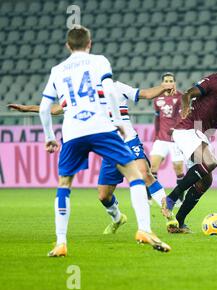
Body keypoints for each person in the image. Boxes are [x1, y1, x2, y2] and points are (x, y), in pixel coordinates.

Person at [38, 25, 170, 256]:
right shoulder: (99, 61)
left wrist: (50, 137)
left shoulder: (57, 69)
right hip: (100, 126)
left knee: (64, 184)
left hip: (72, 131)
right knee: (134, 174)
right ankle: (144, 230)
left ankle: (61, 243)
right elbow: (109, 92)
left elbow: (44, 109)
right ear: (89, 43)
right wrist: (118, 120)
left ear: (68, 46)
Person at [8, 80, 180, 232]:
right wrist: (27, 108)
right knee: (104, 196)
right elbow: (55, 110)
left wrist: (164, 87)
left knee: (144, 173)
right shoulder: (85, 97)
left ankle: (168, 214)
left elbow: (146, 94)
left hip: (128, 140)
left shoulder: (117, 87)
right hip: (109, 146)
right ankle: (118, 218)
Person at [163, 43, 217, 233]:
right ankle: (172, 197)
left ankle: (178, 222)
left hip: (199, 134)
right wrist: (184, 106)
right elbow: (188, 94)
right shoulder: (213, 81)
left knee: (206, 181)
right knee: (211, 161)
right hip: (188, 128)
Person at [149, 72, 185, 204]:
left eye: (171, 81)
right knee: (152, 167)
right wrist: (156, 134)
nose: (169, 83)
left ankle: (180, 198)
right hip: (161, 138)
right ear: (162, 83)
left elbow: (184, 117)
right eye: (166, 81)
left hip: (175, 139)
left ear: (174, 83)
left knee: (179, 169)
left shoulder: (181, 97)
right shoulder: (157, 99)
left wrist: (178, 131)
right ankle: (150, 197)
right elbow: (157, 118)